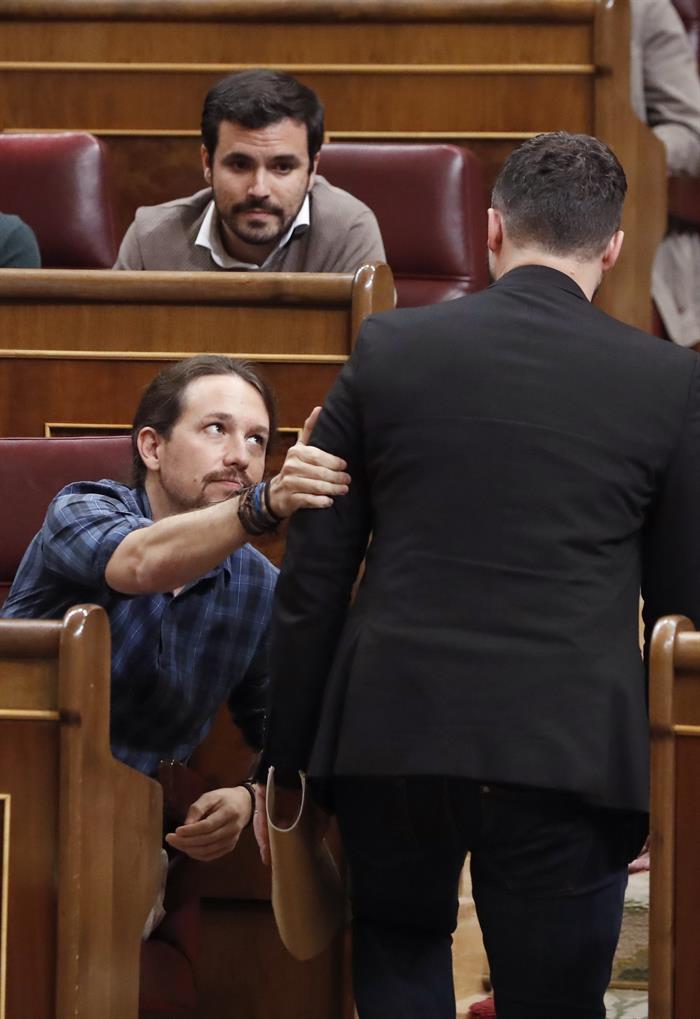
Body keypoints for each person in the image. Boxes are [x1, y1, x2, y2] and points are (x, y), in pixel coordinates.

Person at [255, 133, 700, 1019]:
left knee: (398, 965)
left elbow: (314, 577)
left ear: (491, 230)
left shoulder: (386, 350)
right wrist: (665, 780)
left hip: (392, 734)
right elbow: (681, 615)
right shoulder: (669, 379)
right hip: (568, 749)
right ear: (612, 248)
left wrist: (286, 764)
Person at [2, 354, 350, 862]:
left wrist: (247, 795)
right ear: (152, 447)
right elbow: (141, 563)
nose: (241, 457)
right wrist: (266, 503)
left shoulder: (259, 586)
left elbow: (278, 727)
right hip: (17, 798)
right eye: (216, 429)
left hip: (127, 833)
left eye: (257, 440)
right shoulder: (79, 509)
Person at [114, 69, 385, 274]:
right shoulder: (150, 241)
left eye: (282, 167)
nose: (259, 190)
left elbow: (367, 347)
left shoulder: (348, 233)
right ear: (207, 163)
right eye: (240, 165)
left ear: (312, 169)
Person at [631, 0, 700, 347]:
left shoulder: (642, 7)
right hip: (475, 214)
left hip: (626, 219)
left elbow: (691, 129)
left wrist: (630, 150)